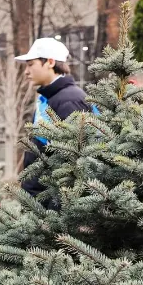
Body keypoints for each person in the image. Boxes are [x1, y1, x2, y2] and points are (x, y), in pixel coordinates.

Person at [15, 37, 90, 197]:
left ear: (50, 62)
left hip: (56, 207)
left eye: (30, 64)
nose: (26, 71)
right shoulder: (47, 99)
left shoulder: (69, 100)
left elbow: (78, 161)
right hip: (41, 203)